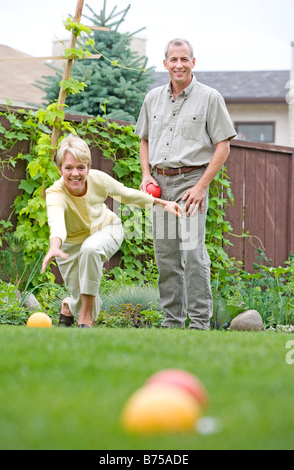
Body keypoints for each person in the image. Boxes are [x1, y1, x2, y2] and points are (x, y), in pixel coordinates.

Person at [136, 38, 237, 330]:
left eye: (184, 59)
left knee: (193, 254)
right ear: (165, 63)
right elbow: (144, 139)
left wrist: (202, 185)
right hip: (160, 188)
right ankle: (172, 322)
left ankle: (199, 324)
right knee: (166, 256)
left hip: (192, 184)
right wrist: (146, 174)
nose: (178, 64)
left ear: (193, 62)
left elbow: (223, 147)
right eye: (173, 59)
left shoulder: (210, 97)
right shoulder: (152, 98)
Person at [41, 134, 182, 328]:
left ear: (88, 168)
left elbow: (126, 194)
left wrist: (161, 202)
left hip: (107, 230)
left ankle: (86, 318)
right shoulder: (55, 193)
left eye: (81, 167)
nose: (75, 173)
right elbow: (56, 222)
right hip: (71, 244)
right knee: (78, 295)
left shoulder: (97, 179)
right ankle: (70, 305)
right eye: (69, 168)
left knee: (90, 250)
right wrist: (55, 246)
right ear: (60, 169)